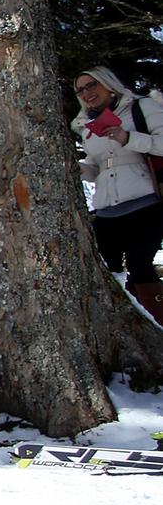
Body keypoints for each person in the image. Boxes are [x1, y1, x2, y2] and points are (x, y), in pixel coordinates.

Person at [73, 65, 163, 323]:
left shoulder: (141, 107)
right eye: (80, 90)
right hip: (107, 209)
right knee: (108, 271)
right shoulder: (87, 124)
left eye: (92, 85)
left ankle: (156, 327)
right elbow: (97, 167)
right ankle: (126, 325)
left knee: (140, 265)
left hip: (146, 202)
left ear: (108, 84)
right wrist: (78, 169)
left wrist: (128, 138)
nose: (87, 93)